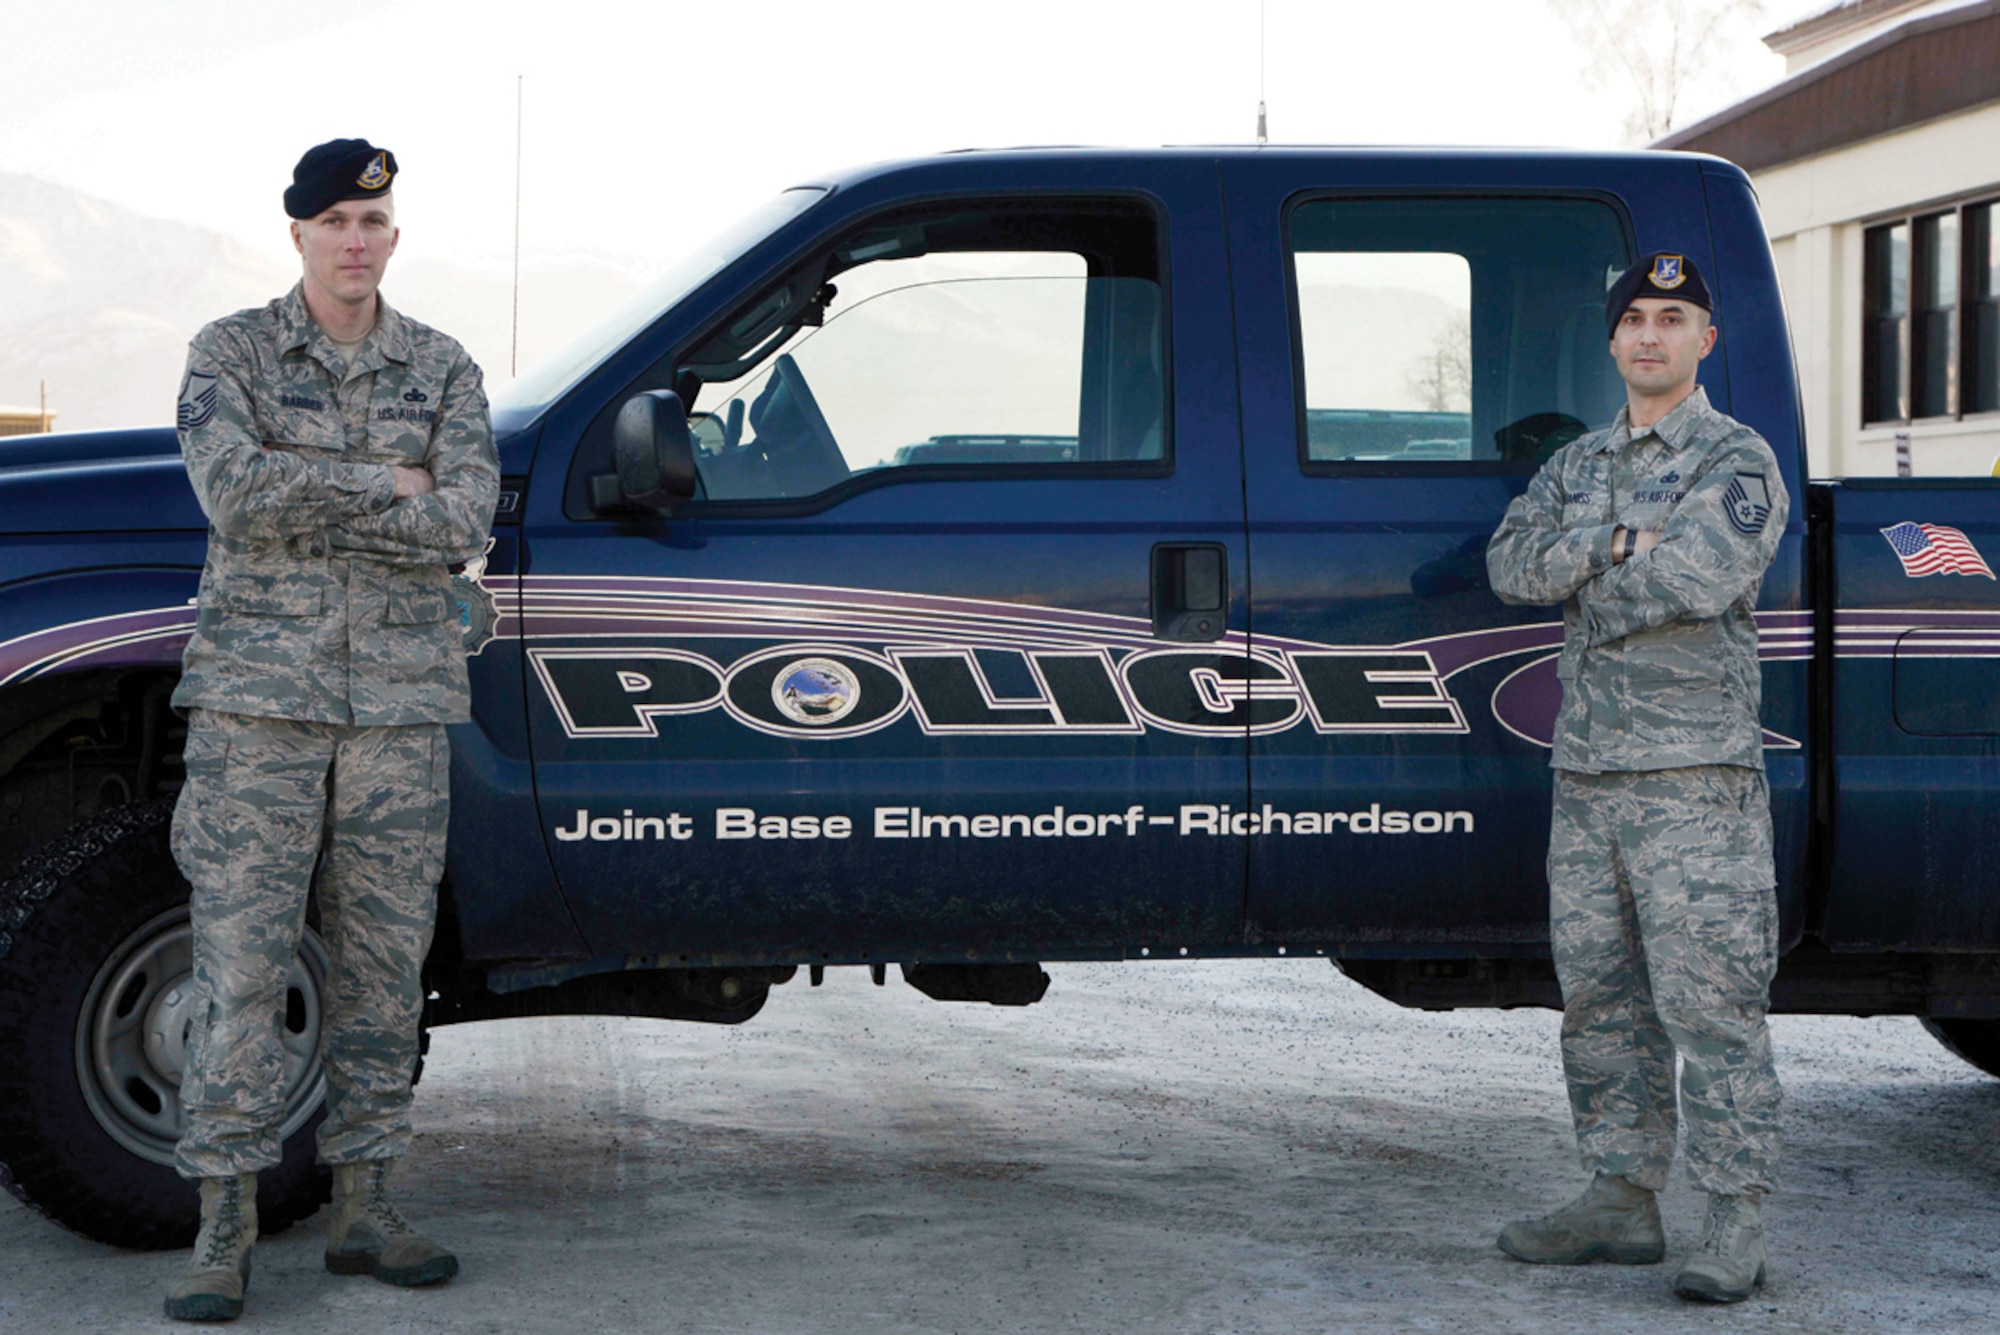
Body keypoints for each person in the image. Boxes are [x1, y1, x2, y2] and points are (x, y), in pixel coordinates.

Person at [163, 139, 499, 1322]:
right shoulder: (231, 353)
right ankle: (221, 1230)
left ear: (394, 236)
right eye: (334, 221)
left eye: (373, 218)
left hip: (399, 711)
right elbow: (231, 494)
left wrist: (324, 481)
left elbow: (462, 512)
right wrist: (381, 487)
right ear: (296, 234)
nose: (355, 238)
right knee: (241, 968)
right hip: (259, 707)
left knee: (382, 971)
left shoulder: (444, 367)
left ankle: (366, 1208)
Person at [1485, 253, 1789, 1304]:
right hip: (1589, 775)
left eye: (1673, 318)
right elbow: (1507, 565)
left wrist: (1585, 587)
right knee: (1599, 1002)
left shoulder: (1734, 459)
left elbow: (1701, 575)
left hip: (1690, 778)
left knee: (1710, 1007)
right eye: (1634, 321)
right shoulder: (1578, 466)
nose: (1650, 335)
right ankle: (1618, 1197)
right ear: (1611, 342)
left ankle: (1733, 1219)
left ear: (1704, 339)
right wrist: (1616, 541)